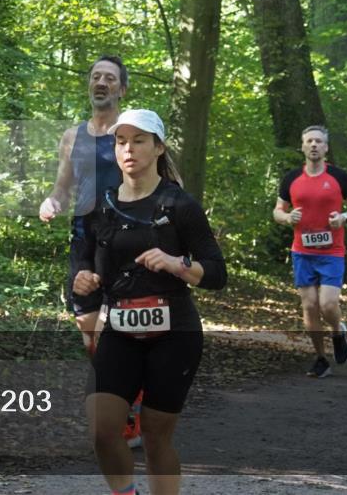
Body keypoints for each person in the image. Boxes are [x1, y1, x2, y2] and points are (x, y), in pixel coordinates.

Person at [73, 109, 226, 495]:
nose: (129, 149)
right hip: (120, 332)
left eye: (139, 140)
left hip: (174, 335)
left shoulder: (179, 206)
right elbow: (81, 263)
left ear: (158, 147)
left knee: (156, 439)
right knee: (102, 431)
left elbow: (217, 273)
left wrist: (178, 265)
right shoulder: (100, 206)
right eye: (122, 141)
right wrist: (82, 281)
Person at [39, 56, 144, 446]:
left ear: (122, 88)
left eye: (110, 78)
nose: (101, 82)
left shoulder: (131, 132)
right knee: (89, 332)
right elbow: (62, 188)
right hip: (83, 240)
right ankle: (129, 392)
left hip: (124, 240)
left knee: (116, 328)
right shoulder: (71, 136)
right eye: (96, 76)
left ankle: (127, 410)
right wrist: (51, 203)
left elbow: (162, 183)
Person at [273, 125, 347, 378]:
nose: (314, 145)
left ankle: (337, 331)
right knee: (310, 306)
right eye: (309, 141)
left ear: (325, 147)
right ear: (302, 146)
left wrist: (344, 216)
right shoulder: (291, 178)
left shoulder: (338, 177)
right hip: (302, 252)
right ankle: (321, 358)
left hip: (331, 251)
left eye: (319, 141)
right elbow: (277, 210)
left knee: (328, 303)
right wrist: (287, 217)